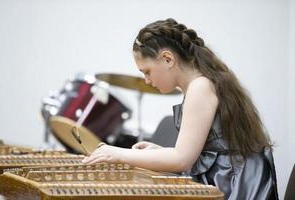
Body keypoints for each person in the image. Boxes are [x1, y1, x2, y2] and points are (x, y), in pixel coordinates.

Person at [82, 18, 278, 200]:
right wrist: (159, 151)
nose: (147, 80)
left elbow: (181, 160)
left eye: (147, 71)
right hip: (231, 174)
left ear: (168, 59)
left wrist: (117, 154)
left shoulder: (200, 86)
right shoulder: (203, 82)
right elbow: (204, 151)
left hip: (234, 182)